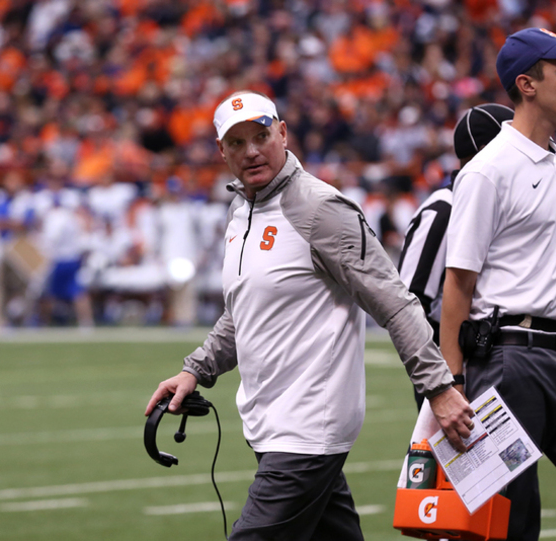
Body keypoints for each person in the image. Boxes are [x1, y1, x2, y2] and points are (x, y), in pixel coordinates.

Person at [146, 91, 474, 541]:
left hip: (307, 430)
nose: (252, 151)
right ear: (222, 152)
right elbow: (244, 309)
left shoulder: (321, 209)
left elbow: (394, 301)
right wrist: (195, 370)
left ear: (282, 133)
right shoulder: (242, 208)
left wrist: (438, 387)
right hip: (272, 425)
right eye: (237, 143)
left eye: (261, 136)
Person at [440, 27, 556, 541]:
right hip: (510, 363)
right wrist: (448, 382)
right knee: (507, 525)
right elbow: (458, 282)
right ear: (528, 84)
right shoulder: (488, 170)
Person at [398, 103, 514, 410]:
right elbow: (410, 301)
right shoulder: (444, 209)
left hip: (491, 354)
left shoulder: (498, 205)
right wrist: (441, 376)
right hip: (451, 363)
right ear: (489, 149)